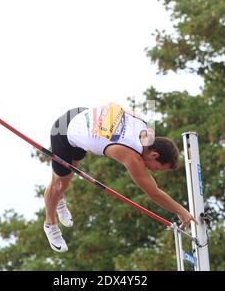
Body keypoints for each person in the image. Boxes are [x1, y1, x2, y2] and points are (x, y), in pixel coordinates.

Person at [43, 103, 197, 252]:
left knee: (68, 177)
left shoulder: (144, 126)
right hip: (63, 131)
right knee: (59, 184)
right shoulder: (131, 155)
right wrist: (182, 211)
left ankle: (58, 198)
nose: (154, 171)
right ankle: (50, 224)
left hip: (81, 119)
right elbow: (154, 192)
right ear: (154, 155)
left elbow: (125, 111)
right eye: (158, 168)